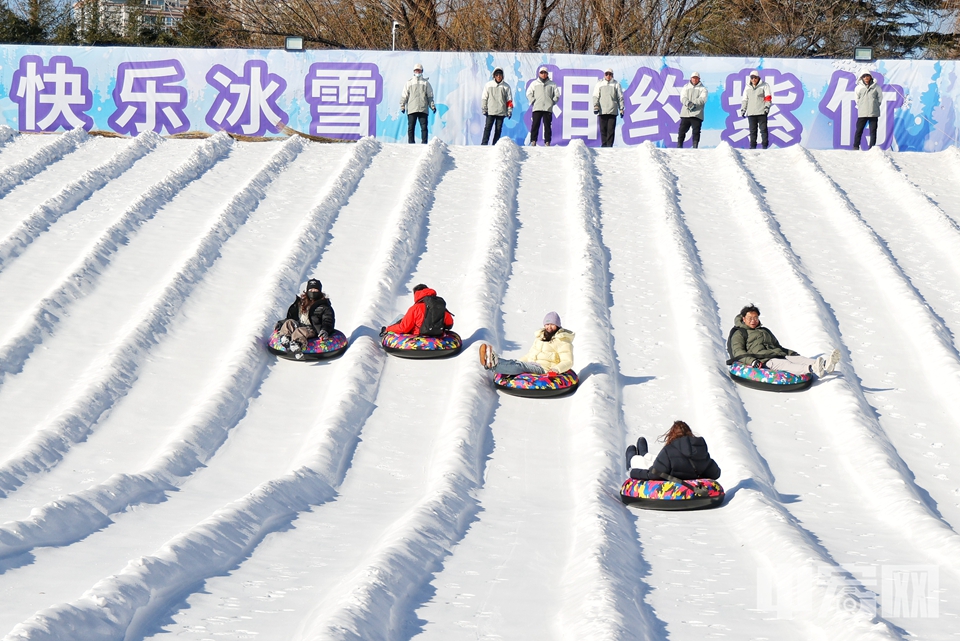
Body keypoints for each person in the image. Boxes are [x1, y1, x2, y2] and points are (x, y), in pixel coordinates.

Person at [728, 304, 840, 377]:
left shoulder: (764, 331)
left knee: (798, 359)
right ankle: (811, 368)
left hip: (776, 354)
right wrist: (752, 361)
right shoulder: (740, 333)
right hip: (763, 360)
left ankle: (826, 364)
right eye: (750, 318)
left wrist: (791, 353)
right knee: (785, 364)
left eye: (756, 318)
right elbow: (738, 351)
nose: (753, 321)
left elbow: (778, 346)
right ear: (744, 319)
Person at [479, 312, 574, 375]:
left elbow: (568, 361)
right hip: (532, 364)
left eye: (552, 324)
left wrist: (556, 369)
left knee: (520, 367)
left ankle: (492, 363)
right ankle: (490, 360)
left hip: (545, 368)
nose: (549, 327)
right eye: (547, 324)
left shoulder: (563, 340)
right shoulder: (540, 337)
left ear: (557, 325)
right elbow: (530, 354)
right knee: (515, 363)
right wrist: (519, 361)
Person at [625, 421, 721, 481]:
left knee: (644, 463)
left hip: (670, 477)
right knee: (657, 460)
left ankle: (633, 458)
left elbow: (654, 475)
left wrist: (633, 472)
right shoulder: (700, 450)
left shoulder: (668, 451)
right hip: (680, 469)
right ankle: (645, 454)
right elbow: (715, 473)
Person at [275, 278, 335, 357]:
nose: (313, 292)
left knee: (300, 331)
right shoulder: (302, 303)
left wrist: (325, 330)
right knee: (289, 322)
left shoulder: (324, 306)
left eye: (315, 290)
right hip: (300, 324)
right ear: (307, 291)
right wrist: (280, 324)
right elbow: (294, 317)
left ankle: (297, 344)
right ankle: (285, 338)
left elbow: (328, 320)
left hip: (313, 329)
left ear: (319, 291)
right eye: (311, 290)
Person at [381, 283, 454, 336]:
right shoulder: (438, 305)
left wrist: (389, 329)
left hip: (418, 337)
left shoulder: (415, 308)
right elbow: (449, 324)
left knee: (401, 317)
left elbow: (404, 328)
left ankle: (385, 331)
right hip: (437, 336)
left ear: (416, 294)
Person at [400, 63, 436, 145]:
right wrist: (402, 106)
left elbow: (430, 96)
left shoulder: (426, 83)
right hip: (412, 108)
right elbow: (404, 95)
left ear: (422, 71)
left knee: (424, 127)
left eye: (419, 70)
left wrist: (432, 106)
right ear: (414, 71)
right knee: (411, 127)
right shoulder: (409, 83)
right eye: (416, 70)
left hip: (423, 108)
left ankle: (424, 143)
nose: (417, 72)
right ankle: (411, 143)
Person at [526, 67, 560, 147]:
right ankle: (533, 141)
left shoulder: (552, 84)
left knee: (547, 126)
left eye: (545, 73)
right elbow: (529, 93)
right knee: (535, 125)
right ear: (539, 74)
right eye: (541, 72)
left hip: (548, 108)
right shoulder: (534, 83)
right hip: (537, 108)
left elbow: (557, 95)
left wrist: (552, 102)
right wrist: (533, 100)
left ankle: (547, 141)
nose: (543, 74)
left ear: (547, 74)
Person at [740, 70, 772, 149]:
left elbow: (768, 97)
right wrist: (743, 109)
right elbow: (745, 99)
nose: (753, 79)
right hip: (751, 113)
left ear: (758, 78)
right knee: (752, 131)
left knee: (763, 130)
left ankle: (764, 146)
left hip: (761, 112)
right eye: (752, 78)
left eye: (755, 77)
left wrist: (767, 107)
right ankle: (752, 147)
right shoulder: (747, 87)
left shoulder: (764, 85)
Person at [593, 68, 625, 148]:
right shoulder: (599, 84)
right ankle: (604, 146)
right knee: (603, 129)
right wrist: (596, 106)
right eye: (606, 74)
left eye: (610, 74)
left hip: (612, 110)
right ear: (604, 75)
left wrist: (621, 108)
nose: (608, 76)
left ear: (612, 75)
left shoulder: (616, 84)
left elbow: (620, 97)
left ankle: (609, 146)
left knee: (610, 130)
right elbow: (596, 95)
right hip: (602, 110)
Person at [481, 67, 513, 146]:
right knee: (487, 128)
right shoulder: (488, 85)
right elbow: (484, 97)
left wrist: (509, 111)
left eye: (500, 75)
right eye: (497, 75)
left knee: (498, 130)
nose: (498, 76)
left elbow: (509, 100)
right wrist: (484, 108)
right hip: (490, 111)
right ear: (494, 76)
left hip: (501, 112)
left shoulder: (506, 86)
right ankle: (484, 144)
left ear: (503, 76)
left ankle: (495, 145)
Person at [854, 71, 883, 150]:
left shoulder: (876, 87)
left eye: (867, 76)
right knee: (859, 130)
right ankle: (856, 146)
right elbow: (856, 99)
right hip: (862, 112)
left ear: (871, 77)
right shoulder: (858, 88)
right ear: (861, 78)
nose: (866, 78)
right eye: (864, 76)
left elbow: (880, 97)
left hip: (873, 112)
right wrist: (861, 105)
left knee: (873, 131)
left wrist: (876, 105)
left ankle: (872, 148)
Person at [678, 71, 707, 149]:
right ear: (691, 78)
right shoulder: (686, 87)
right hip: (685, 113)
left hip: (697, 113)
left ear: (699, 79)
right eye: (693, 78)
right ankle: (679, 146)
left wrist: (693, 103)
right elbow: (682, 97)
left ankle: (695, 146)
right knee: (682, 130)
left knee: (696, 131)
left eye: (696, 78)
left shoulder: (703, 89)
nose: (695, 80)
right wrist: (688, 103)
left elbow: (703, 99)